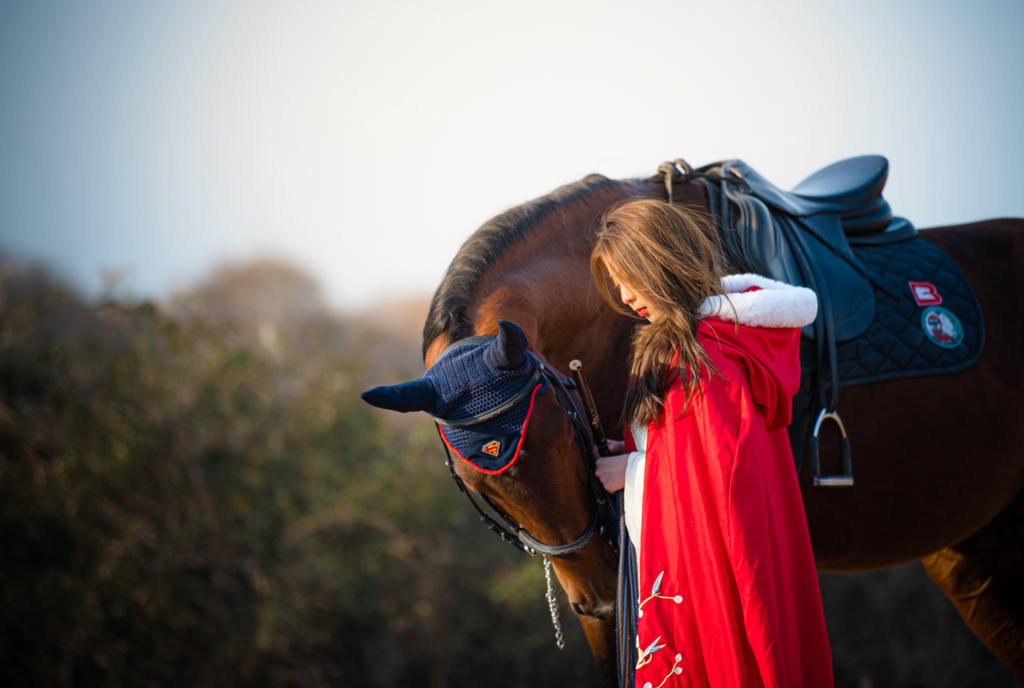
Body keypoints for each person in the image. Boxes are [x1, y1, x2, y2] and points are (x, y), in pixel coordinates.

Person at [590, 199, 833, 687]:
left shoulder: (708, 358)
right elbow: (695, 456)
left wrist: (633, 474)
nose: (622, 294)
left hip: (715, 575)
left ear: (658, 263)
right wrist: (642, 452)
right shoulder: (711, 344)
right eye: (613, 281)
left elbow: (723, 485)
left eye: (627, 275)